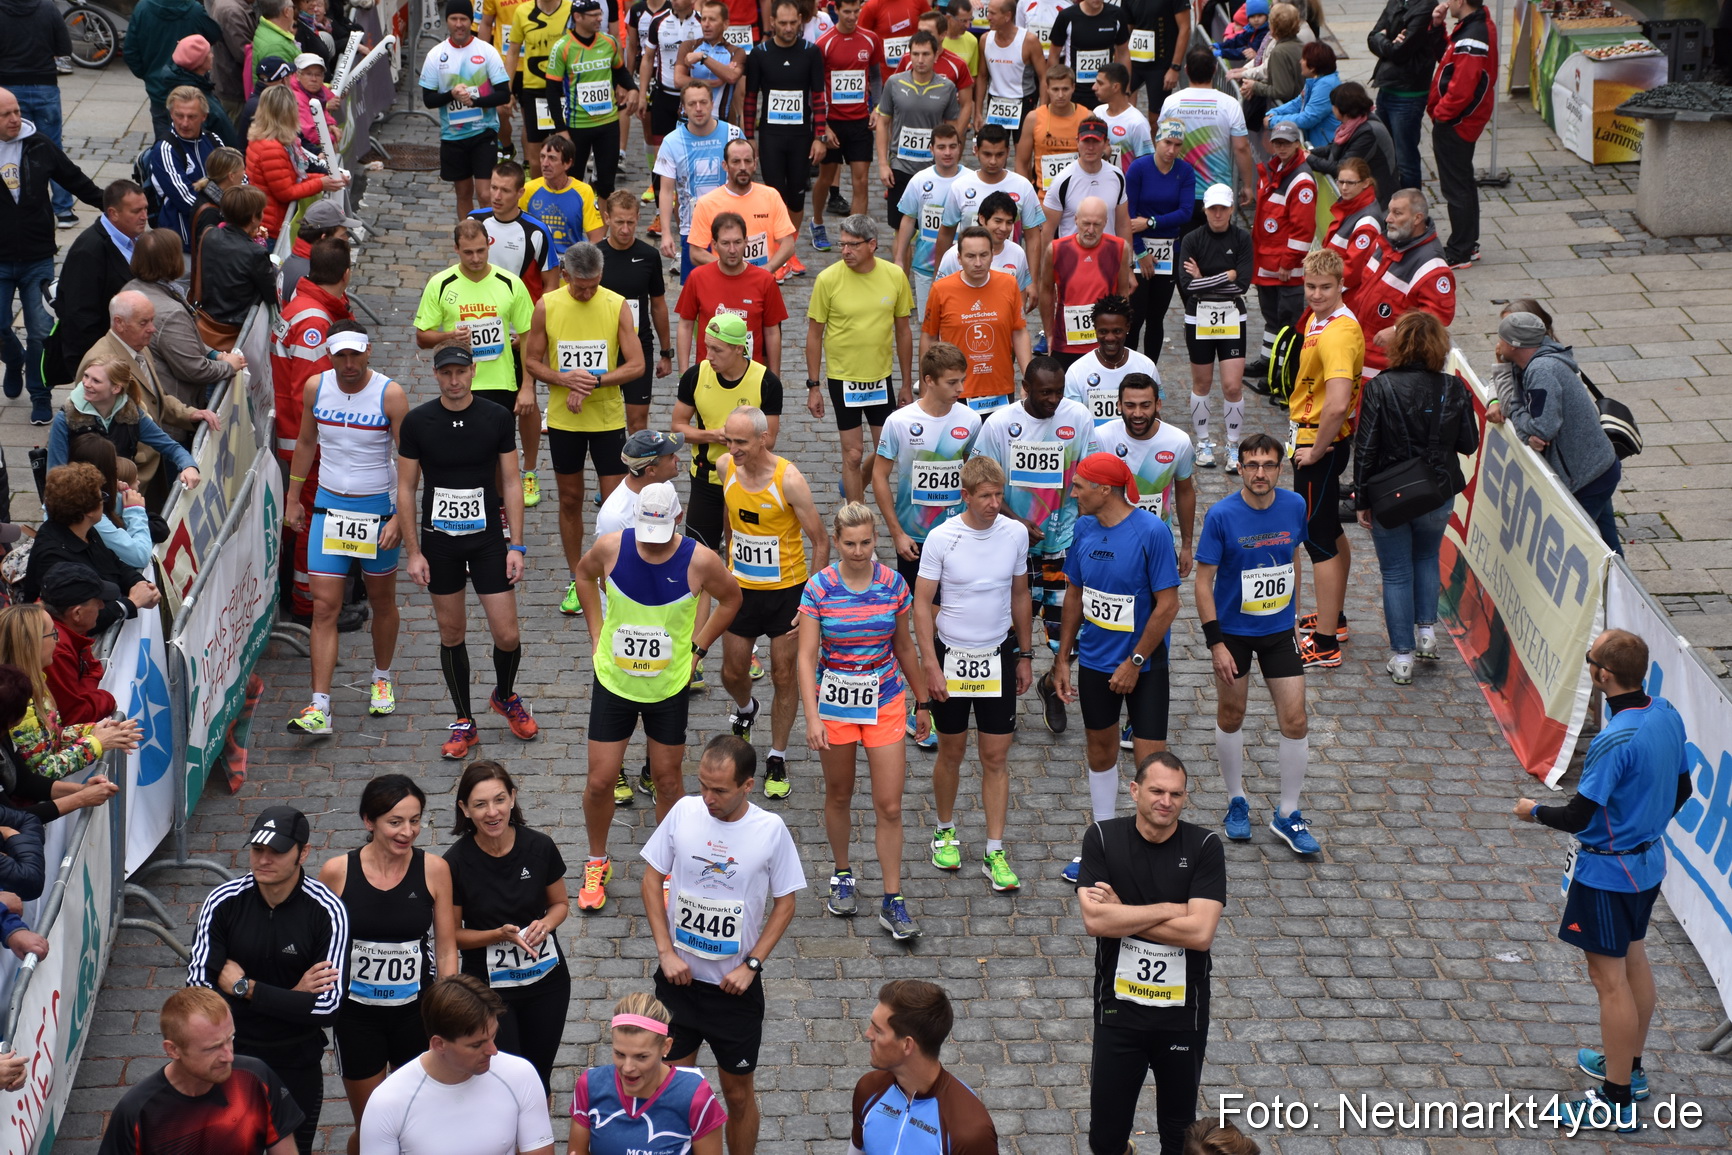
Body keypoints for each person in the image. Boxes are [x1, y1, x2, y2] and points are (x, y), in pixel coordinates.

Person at [1515, 629, 1691, 1131]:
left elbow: (1578, 815)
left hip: (1608, 872)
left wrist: (1532, 811)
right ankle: (1629, 1070)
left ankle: (1616, 1099)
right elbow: (1684, 786)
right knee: (1634, 959)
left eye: (1590, 661)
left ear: (1603, 675)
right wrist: (1646, 825)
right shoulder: (1667, 713)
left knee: (1608, 982)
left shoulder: (1614, 740)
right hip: (1647, 865)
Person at [570, 479, 742, 909]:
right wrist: (595, 633)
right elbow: (583, 576)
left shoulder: (700, 560)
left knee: (667, 781)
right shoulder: (611, 547)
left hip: (667, 688)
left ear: (677, 520)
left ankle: (666, 866)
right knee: (600, 781)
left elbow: (732, 599)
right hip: (616, 683)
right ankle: (596, 860)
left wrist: (698, 650)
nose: (652, 545)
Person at [639, 734, 806, 1155]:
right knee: (673, 1093)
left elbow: (786, 903)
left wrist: (751, 965)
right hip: (678, 985)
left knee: (736, 1095)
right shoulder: (683, 813)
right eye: (703, 785)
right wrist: (665, 952)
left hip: (734, 992)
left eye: (719, 790)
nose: (707, 798)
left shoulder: (770, 830)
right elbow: (650, 879)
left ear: (748, 785)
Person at [1076, 752, 1226, 1155]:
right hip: (1119, 1011)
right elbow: (1094, 922)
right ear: (1135, 790)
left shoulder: (1205, 845)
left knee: (1178, 1140)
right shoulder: (1103, 839)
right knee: (1105, 1139)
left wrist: (1122, 910)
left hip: (1182, 1016)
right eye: (1157, 791)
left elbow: (1200, 933)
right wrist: (1170, 909)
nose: (1166, 801)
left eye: (1176, 794)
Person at [396, 345, 539, 760]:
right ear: (436, 375)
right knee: (451, 633)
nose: (454, 380)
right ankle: (463, 719)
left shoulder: (495, 417)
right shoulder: (419, 422)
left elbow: (511, 481)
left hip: (487, 540)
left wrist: (517, 545)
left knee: (507, 634)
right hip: (439, 542)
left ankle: (505, 696)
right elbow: (406, 487)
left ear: (474, 372)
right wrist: (413, 552)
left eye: (461, 372)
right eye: (447, 374)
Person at [798, 502, 929, 938]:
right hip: (834, 703)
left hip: (885, 700)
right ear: (836, 542)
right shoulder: (818, 589)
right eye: (850, 543)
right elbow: (805, 657)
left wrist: (923, 702)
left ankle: (893, 898)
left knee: (889, 805)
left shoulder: (892, 585)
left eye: (867, 543)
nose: (859, 551)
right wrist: (812, 715)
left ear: (876, 540)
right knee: (839, 794)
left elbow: (904, 646)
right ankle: (842, 873)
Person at [188, 805, 351, 1155]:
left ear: (303, 853)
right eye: (257, 850)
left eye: (276, 852)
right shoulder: (223, 901)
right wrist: (293, 997)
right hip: (229, 1057)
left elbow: (327, 1008)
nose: (263, 860)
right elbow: (199, 999)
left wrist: (245, 989)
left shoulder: (327, 910)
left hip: (295, 1063)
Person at [1050, 451, 1180, 882]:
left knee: (1152, 767)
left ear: (1105, 490)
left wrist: (1135, 662)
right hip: (1094, 663)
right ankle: (1103, 843)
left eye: (1080, 486)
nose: (1073, 493)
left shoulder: (1152, 532)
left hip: (1144, 668)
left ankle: (1152, 852)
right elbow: (1073, 595)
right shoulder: (1084, 527)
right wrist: (1063, 658)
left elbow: (1167, 605)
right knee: (1100, 750)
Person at [318, 775, 459, 1155]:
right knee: (372, 1129)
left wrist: (447, 1009)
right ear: (369, 821)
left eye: (415, 821)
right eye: (395, 822)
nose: (407, 832)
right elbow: (321, 944)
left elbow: (446, 948)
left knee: (418, 1122)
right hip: (357, 1017)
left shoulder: (434, 869)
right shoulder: (337, 872)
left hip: (416, 1014)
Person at [280, 324, 409, 734]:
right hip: (329, 508)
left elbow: (408, 463)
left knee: (381, 601)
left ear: (368, 352)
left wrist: (398, 518)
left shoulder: (391, 394)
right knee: (324, 607)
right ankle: (319, 706)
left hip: (376, 509)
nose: (349, 365)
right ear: (330, 356)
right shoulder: (316, 388)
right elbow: (304, 442)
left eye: (356, 355)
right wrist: (292, 497)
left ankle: (382, 677)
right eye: (341, 356)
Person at [1194, 432, 1317, 855]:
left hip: (1279, 631)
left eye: (1268, 465)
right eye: (1251, 465)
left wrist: (1297, 617)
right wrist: (1216, 644)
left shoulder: (1294, 505)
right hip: (1234, 634)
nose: (1260, 473)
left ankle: (1288, 812)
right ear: (1241, 467)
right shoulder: (1221, 515)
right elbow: (1203, 582)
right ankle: (1236, 801)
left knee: (1296, 719)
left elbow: (1293, 556)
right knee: (1232, 714)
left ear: (1279, 468)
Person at [912, 456, 1032, 889]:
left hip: (997, 655)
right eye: (985, 496)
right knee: (952, 752)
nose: (994, 504)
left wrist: (1025, 653)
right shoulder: (943, 538)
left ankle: (994, 851)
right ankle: (944, 831)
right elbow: (920, 604)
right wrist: (930, 663)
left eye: (999, 495)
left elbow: (1021, 593)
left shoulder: (1015, 533)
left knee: (996, 758)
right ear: (965, 496)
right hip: (951, 657)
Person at [1351, 310, 1476, 684]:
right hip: (1437, 492)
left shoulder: (1381, 387)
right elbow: (1469, 442)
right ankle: (1426, 634)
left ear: (1399, 346)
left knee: (1395, 572)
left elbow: (1366, 447)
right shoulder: (1454, 388)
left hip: (1391, 494)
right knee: (1426, 558)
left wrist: (1361, 499)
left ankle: (1402, 656)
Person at [521, 242, 644, 613]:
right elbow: (532, 361)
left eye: (592, 285)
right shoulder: (548, 306)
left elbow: (636, 365)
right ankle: (577, 577)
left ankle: (614, 576)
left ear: (601, 276)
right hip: (564, 421)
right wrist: (564, 379)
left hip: (607, 419)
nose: (586, 293)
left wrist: (592, 381)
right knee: (570, 499)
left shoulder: (615, 304)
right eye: (579, 286)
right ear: (565, 275)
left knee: (614, 505)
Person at [717, 405, 829, 797]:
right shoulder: (723, 467)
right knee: (731, 673)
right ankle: (747, 709)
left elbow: (820, 541)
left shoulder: (789, 480)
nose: (733, 449)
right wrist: (728, 564)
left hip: (787, 593)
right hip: (741, 591)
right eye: (729, 440)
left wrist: (810, 601)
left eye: (741, 442)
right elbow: (731, 518)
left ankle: (777, 755)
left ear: (763, 438)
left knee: (784, 675)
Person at [441, 760, 569, 1097]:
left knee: (539, 1076)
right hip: (489, 989)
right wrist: (498, 935)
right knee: (504, 1077)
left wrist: (546, 923)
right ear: (464, 810)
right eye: (480, 804)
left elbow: (560, 905)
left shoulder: (540, 846)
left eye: (499, 799)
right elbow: (454, 935)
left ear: (512, 798)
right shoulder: (454, 863)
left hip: (547, 981)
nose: (492, 812)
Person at [973, 357, 1095, 662]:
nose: (1054, 400)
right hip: (1013, 546)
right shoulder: (1000, 424)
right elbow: (981, 481)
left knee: (1066, 628)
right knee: (1008, 628)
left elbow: (1091, 474)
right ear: (1025, 388)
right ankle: (1010, 692)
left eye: (1059, 392)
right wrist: (1016, 523)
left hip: (1063, 542)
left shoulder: (1079, 417)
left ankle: (1055, 685)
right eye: (1045, 393)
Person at [355, 974, 556, 1155]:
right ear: (439, 1044)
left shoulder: (521, 1074)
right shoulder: (386, 1102)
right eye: (477, 1044)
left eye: (493, 1036)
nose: (493, 1051)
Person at [412, 220, 536, 505]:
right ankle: (464, 506)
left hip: (501, 381)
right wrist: (449, 335)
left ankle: (500, 509)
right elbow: (422, 337)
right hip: (458, 381)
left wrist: (527, 384)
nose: (476, 258)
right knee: (460, 451)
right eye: (468, 253)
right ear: (456, 249)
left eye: (481, 250)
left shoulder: (509, 283)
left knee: (499, 455)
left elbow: (530, 335)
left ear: (489, 244)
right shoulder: (441, 284)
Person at [0, 86, 104, 423]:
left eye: (16, 111)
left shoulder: (38, 144)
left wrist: (113, 205)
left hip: (37, 257)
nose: (15, 119)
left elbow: (74, 179)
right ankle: (13, 360)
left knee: (40, 331)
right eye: (6, 114)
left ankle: (40, 395)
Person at [96, 988, 302, 1155]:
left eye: (230, 1039)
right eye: (212, 1048)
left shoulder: (256, 1078)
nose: (229, 1056)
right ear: (173, 1050)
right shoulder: (137, 1112)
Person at [1284, 248, 1363, 669]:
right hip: (1317, 438)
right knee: (1329, 528)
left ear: (1340, 286)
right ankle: (1337, 617)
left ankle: (1326, 641)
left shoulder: (1336, 332)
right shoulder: (1322, 319)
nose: (1316, 294)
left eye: (1325, 288)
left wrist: (1316, 449)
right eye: (1310, 286)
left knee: (1315, 537)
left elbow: (1336, 403)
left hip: (1319, 443)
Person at [1488, 311, 1622, 556]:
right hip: (1598, 467)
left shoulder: (1542, 371)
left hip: (1586, 478)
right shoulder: (1533, 363)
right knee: (1608, 545)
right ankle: (1620, 593)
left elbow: (1541, 428)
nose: (1498, 344)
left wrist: (1518, 415)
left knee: (1575, 551)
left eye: (1502, 339)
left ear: (1515, 345)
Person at [805, 213, 915, 505]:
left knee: (887, 449)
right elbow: (814, 335)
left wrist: (906, 383)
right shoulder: (827, 279)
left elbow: (904, 332)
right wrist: (813, 385)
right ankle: (855, 515)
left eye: (852, 245)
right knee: (852, 453)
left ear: (873, 245)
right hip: (843, 379)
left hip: (880, 378)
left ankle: (854, 484)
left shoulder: (894, 276)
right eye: (842, 244)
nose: (844, 251)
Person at [0, 602, 134, 796]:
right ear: (32, 643)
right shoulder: (20, 700)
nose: (58, 640)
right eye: (53, 634)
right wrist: (95, 743)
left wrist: (93, 730)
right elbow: (41, 771)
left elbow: (53, 736)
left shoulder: (35, 683)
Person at [850, 980, 998, 1153]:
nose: (868, 1034)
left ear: (907, 1045)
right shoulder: (869, 1089)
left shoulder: (969, 1133)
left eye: (878, 1030)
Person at [76, 289, 218, 467]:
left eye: (152, 320)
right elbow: (89, 431)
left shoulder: (140, 347)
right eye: (144, 323)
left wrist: (189, 414)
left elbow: (154, 398)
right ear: (119, 323)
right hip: (127, 473)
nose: (153, 329)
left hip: (150, 464)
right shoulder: (97, 363)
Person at [570, 995, 726, 1155]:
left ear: (666, 1047)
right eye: (620, 1054)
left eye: (641, 1057)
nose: (627, 1068)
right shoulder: (590, 1085)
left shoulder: (695, 1095)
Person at [22, 464, 160, 633]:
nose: (104, 500)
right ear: (87, 511)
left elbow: (113, 562)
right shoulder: (53, 558)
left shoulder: (85, 530)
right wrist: (131, 603)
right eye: (100, 496)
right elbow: (80, 619)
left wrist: (139, 583)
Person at [43, 180, 150, 399]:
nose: (144, 216)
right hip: (104, 366)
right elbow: (79, 318)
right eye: (136, 211)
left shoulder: (135, 240)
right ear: (113, 213)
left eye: (146, 208)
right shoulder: (89, 251)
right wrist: (97, 370)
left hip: (126, 355)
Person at [745, 0, 827, 277]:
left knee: (796, 197)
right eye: (783, 23)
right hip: (771, 136)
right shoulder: (760, 54)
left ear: (800, 21)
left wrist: (820, 136)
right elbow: (750, 98)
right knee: (774, 194)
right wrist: (749, 138)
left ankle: (789, 251)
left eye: (794, 23)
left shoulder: (811, 53)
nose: (789, 28)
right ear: (773, 23)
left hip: (801, 136)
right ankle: (775, 252)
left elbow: (818, 97)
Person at [124, 230, 247, 412]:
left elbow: (179, 343)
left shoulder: (129, 289)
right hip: (173, 411)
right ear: (173, 261)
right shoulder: (171, 314)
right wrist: (228, 366)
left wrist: (214, 354)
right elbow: (193, 369)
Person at [49, 359, 201, 503]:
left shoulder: (131, 415)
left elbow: (170, 446)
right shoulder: (66, 419)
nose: (86, 384)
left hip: (120, 500)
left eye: (96, 381)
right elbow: (56, 474)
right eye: (86, 376)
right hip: (80, 502)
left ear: (116, 388)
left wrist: (188, 466)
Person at [1176, 182, 1251, 470]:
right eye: (1212, 209)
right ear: (1205, 210)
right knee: (1202, 383)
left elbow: (1242, 284)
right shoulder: (1193, 239)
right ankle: (1204, 440)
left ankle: (1233, 446)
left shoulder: (1242, 239)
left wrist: (1206, 278)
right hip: (1199, 318)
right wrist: (1226, 275)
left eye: (1223, 208)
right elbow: (1188, 286)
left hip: (1232, 318)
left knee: (1232, 386)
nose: (1218, 214)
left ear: (1231, 209)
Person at [1093, 372, 1195, 577]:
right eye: (1130, 405)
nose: (1137, 413)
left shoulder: (1178, 441)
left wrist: (1186, 546)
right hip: (1110, 541)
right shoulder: (1101, 437)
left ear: (1158, 405)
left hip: (1157, 541)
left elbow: (1185, 492)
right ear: (1119, 405)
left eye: (1145, 405)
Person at [1345, 188, 1453, 378]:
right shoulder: (1385, 243)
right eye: (1389, 211)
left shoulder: (1432, 266)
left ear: (1417, 218)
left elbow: (1438, 317)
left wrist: (1397, 330)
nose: (1388, 219)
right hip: (1362, 351)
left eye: (1397, 213)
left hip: (1388, 363)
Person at [921, 226, 1030, 415]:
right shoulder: (941, 289)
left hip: (1000, 389)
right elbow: (929, 337)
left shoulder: (1009, 284)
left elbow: (1019, 332)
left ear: (992, 256)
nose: (978, 263)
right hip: (955, 390)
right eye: (970, 256)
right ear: (959, 258)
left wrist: (1029, 379)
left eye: (984, 255)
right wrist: (926, 386)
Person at [420, 0, 510, 218]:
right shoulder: (435, 55)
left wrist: (475, 102)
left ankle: (491, 238)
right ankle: (468, 238)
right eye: (454, 19)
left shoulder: (487, 51)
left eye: (464, 19)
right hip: (453, 136)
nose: (459, 24)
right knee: (463, 192)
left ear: (471, 22)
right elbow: (429, 100)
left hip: (483, 132)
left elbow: (504, 94)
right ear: (447, 21)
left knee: (485, 193)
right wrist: (451, 95)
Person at [674, 211, 789, 374]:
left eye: (738, 242)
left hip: (750, 376)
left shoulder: (765, 281)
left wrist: (774, 379)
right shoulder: (697, 278)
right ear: (714, 244)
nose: (733, 249)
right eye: (725, 243)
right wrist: (684, 373)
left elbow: (772, 332)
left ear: (746, 242)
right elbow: (685, 325)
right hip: (708, 375)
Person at [1427, 0, 1496, 269]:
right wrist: (1436, 27)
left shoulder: (1474, 32)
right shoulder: (1474, 26)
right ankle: (1467, 244)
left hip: (1457, 123)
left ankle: (1460, 250)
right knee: (1462, 183)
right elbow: (1449, 58)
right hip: (1460, 120)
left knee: (1456, 187)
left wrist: (1442, 114)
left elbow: (1463, 86)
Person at [545, 0, 638, 198]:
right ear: (578, 17)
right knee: (574, 182)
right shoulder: (562, 47)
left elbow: (620, 71)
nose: (600, 18)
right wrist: (561, 130)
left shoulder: (609, 42)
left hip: (608, 124)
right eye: (594, 15)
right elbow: (552, 90)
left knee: (606, 184)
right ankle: (574, 227)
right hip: (578, 126)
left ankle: (602, 229)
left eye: (600, 14)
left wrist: (633, 88)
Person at [811, 0, 884, 249]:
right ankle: (817, 222)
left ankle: (854, 235)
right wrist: (824, 126)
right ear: (837, 11)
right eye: (847, 12)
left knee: (861, 181)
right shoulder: (824, 43)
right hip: (833, 122)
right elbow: (816, 87)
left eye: (856, 11)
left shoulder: (871, 39)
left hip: (860, 121)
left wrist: (878, 107)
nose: (852, 17)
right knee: (825, 177)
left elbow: (875, 75)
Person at [597, 190, 672, 433]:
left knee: (638, 423)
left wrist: (665, 352)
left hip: (638, 347)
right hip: (603, 347)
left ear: (638, 217)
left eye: (631, 222)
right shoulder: (595, 256)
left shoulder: (649, 256)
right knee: (603, 420)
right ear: (607, 218)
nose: (626, 229)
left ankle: (637, 469)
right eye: (619, 222)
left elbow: (658, 305)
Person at [1245, 120, 1315, 381]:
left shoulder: (1301, 181)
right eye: (1278, 143)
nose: (1282, 147)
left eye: (1287, 143)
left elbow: (1302, 230)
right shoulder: (1278, 169)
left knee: (1287, 323)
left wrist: (1288, 262)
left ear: (1297, 144)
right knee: (1272, 318)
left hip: (1285, 269)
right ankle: (1268, 361)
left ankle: (1282, 374)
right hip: (1268, 261)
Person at [653, 82, 744, 280]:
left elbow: (746, 183)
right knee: (697, 295)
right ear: (683, 108)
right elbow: (667, 191)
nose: (699, 108)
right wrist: (667, 233)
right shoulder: (671, 142)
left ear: (712, 103)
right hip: (693, 231)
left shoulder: (733, 134)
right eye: (692, 104)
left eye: (703, 102)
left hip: (732, 229)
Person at [1124, 118, 1194, 363]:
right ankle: (1128, 368)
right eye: (1167, 143)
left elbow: (1185, 212)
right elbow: (1129, 215)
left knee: (1156, 316)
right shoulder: (1139, 168)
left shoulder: (1184, 171)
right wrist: (1141, 253)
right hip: (1139, 248)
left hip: (1168, 250)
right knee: (1135, 315)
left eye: (1177, 145)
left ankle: (1149, 371)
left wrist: (1151, 221)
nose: (1172, 150)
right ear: (1156, 140)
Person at [875, 32, 961, 232]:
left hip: (934, 168)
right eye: (915, 54)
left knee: (934, 229)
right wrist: (882, 164)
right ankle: (902, 265)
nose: (920, 60)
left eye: (925, 54)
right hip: (900, 167)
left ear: (936, 55)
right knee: (900, 230)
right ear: (909, 55)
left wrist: (952, 165)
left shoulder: (947, 88)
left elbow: (953, 129)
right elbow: (882, 123)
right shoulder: (894, 83)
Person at [933, 124, 1046, 268]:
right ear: (976, 151)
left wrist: (1033, 282)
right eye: (987, 154)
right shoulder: (960, 187)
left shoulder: (1023, 187)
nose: (993, 161)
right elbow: (946, 234)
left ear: (1008, 152)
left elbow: (1033, 237)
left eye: (999, 155)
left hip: (1008, 271)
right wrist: (939, 275)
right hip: (970, 271)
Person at [244, 86, 344, 243]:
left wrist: (326, 178)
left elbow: (293, 176)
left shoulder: (268, 139)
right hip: (272, 226)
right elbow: (286, 192)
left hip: (269, 219)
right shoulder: (272, 149)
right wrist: (321, 183)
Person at [1040, 196, 1129, 369]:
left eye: (1097, 225)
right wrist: (1049, 334)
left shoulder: (1119, 248)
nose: (1090, 230)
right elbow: (1046, 291)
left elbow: (1123, 293)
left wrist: (1120, 334)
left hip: (1105, 343)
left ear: (1106, 222)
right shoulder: (1057, 249)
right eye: (1086, 223)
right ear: (1076, 220)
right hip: (1066, 342)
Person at [1158, 49, 1254, 211]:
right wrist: (1247, 185)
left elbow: (1160, 144)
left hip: (1180, 187)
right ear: (1215, 70)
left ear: (1186, 70)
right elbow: (1241, 148)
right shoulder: (1230, 104)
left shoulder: (1171, 102)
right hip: (1218, 193)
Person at [687, 138, 797, 276]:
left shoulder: (771, 196)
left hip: (760, 281)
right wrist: (730, 269)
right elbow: (695, 253)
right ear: (725, 165)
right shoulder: (707, 203)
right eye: (736, 161)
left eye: (748, 161)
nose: (743, 167)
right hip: (724, 282)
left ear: (755, 164)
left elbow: (788, 244)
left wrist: (768, 269)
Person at [1367, 0, 1445, 191]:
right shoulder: (1396, 1)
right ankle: (1389, 201)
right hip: (1386, 88)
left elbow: (1400, 51)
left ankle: (1411, 210)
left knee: (1405, 159)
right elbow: (1372, 37)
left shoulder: (1426, 6)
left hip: (1408, 94)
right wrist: (1388, 42)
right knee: (1384, 152)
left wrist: (1385, 40)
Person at [893, 122, 965, 319]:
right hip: (926, 266)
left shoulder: (970, 179)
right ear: (931, 149)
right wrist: (899, 258)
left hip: (964, 267)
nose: (947, 152)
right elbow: (908, 220)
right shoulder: (919, 180)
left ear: (960, 147)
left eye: (952, 146)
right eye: (941, 147)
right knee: (929, 325)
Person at [38, 562, 122, 726]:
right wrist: (108, 699)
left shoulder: (69, 627)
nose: (102, 605)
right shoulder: (54, 648)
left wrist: (84, 696)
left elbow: (93, 668)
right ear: (77, 613)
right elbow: (74, 715)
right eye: (97, 601)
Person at [145, 86, 225, 252]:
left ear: (204, 116)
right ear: (171, 114)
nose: (184, 123)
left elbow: (238, 178)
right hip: (183, 246)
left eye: (192, 116)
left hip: (216, 238)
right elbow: (188, 200)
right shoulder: (165, 149)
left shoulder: (214, 140)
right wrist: (232, 210)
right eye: (179, 115)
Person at [932, 190, 1033, 315]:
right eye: (998, 221)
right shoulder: (953, 255)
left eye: (1009, 223)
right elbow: (938, 299)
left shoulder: (1017, 253)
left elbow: (1020, 298)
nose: (1003, 228)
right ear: (982, 219)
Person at [1062, 294, 1155, 426]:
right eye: (1103, 331)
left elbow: (1154, 415)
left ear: (1128, 327)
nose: (1110, 338)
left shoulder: (1146, 366)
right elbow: (1072, 421)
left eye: (1117, 331)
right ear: (1094, 329)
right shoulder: (1076, 372)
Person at [1304, 82, 1397, 212]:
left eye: (1334, 105)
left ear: (1342, 109)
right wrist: (1311, 152)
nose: (1332, 109)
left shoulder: (1368, 132)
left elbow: (1341, 167)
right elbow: (1335, 147)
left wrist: (1309, 159)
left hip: (1376, 201)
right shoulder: (1353, 123)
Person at [473, 161, 557, 302]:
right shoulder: (474, 220)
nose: (497, 196)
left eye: (505, 190)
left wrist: (537, 319)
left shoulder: (537, 231)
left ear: (520, 193)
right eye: (494, 188)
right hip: (482, 312)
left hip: (521, 316)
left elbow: (551, 284)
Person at [642, 0, 702, 192]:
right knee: (662, 160)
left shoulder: (703, 22)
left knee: (694, 158)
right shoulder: (658, 20)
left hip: (692, 98)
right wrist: (642, 93)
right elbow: (648, 58)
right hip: (664, 95)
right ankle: (660, 212)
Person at [522, 134, 607, 270]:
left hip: (570, 264)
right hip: (537, 264)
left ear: (567, 163)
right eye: (542, 157)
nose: (544, 164)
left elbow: (596, 237)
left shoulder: (584, 191)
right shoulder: (529, 189)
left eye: (552, 159)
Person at [506, 0, 575, 162]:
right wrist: (506, 90)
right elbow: (513, 52)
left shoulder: (571, 8)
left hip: (566, 90)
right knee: (536, 158)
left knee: (569, 152)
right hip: (534, 90)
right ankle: (539, 187)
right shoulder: (523, 11)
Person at [1041, 118, 1131, 242]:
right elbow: (1047, 230)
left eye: (1096, 141)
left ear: (1106, 143)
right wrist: (1046, 261)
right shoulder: (1062, 181)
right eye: (1085, 141)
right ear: (1077, 142)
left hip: (1107, 258)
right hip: (1072, 259)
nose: (1090, 147)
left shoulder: (1117, 176)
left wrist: (1126, 260)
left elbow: (1123, 224)